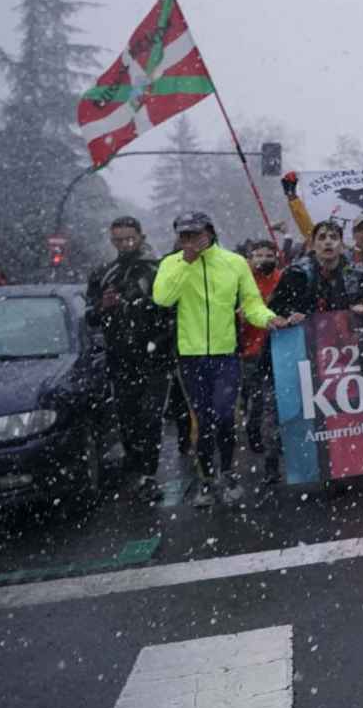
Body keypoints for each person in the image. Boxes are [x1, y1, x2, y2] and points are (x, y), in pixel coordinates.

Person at [152, 211, 288, 506]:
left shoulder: (234, 262)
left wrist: (270, 319)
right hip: (190, 356)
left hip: (226, 354)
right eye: (183, 235)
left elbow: (251, 304)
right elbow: (163, 298)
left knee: (226, 416)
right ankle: (206, 479)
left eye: (195, 234)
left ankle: (227, 472)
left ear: (210, 232)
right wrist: (185, 264)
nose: (190, 240)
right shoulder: (171, 264)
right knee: (203, 421)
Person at [85, 217, 177, 497]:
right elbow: (89, 317)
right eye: (118, 240)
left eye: (129, 238)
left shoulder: (158, 269)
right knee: (127, 420)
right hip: (120, 358)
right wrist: (103, 306)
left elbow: (172, 313)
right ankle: (137, 467)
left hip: (154, 357)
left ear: (140, 236)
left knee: (150, 419)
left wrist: (148, 313)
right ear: (112, 241)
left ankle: (148, 475)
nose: (125, 244)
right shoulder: (103, 273)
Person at [236, 239, 284, 483]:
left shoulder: (283, 279)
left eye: (268, 255)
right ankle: (255, 435)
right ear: (248, 258)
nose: (263, 259)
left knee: (272, 406)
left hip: (279, 349)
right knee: (256, 402)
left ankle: (272, 456)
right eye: (258, 255)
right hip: (251, 353)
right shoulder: (242, 283)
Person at [270, 221, 363, 317]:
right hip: (305, 332)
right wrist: (292, 314)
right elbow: (275, 306)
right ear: (313, 245)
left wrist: (357, 307)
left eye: (334, 238)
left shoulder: (354, 274)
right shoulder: (297, 273)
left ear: (341, 246)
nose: (328, 242)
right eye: (322, 238)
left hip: (343, 332)